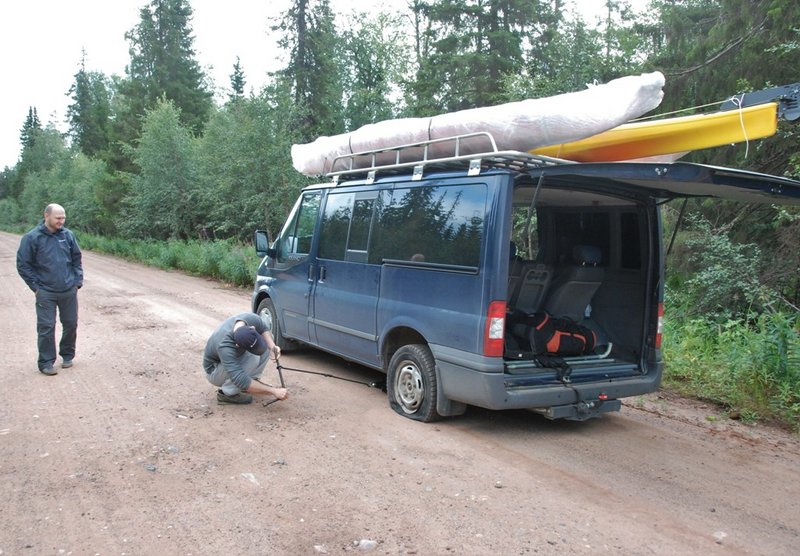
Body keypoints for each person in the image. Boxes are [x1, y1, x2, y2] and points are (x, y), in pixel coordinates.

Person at [16, 203, 83, 376]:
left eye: (63, 218)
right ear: (46, 216)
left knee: (71, 323)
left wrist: (77, 282)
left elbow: (77, 259)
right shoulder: (32, 238)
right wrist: (36, 287)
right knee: (46, 326)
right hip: (45, 291)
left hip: (68, 289)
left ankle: (67, 355)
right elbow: (23, 264)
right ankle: (46, 362)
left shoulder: (68, 236)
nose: (61, 221)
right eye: (58, 218)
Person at [203, 312, 289, 405]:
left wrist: (273, 347)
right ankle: (227, 394)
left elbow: (263, 328)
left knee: (267, 340)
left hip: (231, 359)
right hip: (214, 371)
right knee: (253, 359)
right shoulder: (225, 347)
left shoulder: (250, 318)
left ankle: (253, 382)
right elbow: (240, 379)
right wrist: (273, 391)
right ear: (237, 345)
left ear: (252, 328)